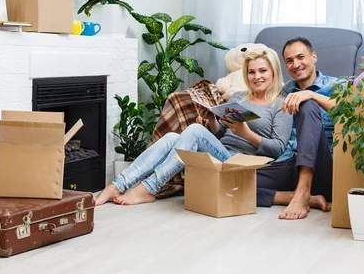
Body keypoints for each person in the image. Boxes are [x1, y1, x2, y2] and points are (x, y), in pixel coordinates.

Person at [96, 47, 294, 206]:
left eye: (262, 71)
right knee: (172, 138)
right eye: (251, 72)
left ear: (274, 72)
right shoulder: (239, 97)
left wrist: (246, 133)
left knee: (194, 132)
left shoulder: (280, 104)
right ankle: (118, 184)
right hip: (223, 152)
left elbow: (277, 149)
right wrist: (212, 122)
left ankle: (149, 188)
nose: (256, 76)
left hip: (243, 163)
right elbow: (222, 134)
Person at [256, 37, 342, 220]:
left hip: (322, 167)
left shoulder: (336, 85)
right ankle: (297, 197)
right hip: (289, 163)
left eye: (300, 57)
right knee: (233, 183)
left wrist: (311, 95)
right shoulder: (284, 91)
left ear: (313, 57)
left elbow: (351, 112)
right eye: (289, 61)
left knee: (307, 104)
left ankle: (303, 191)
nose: (296, 64)